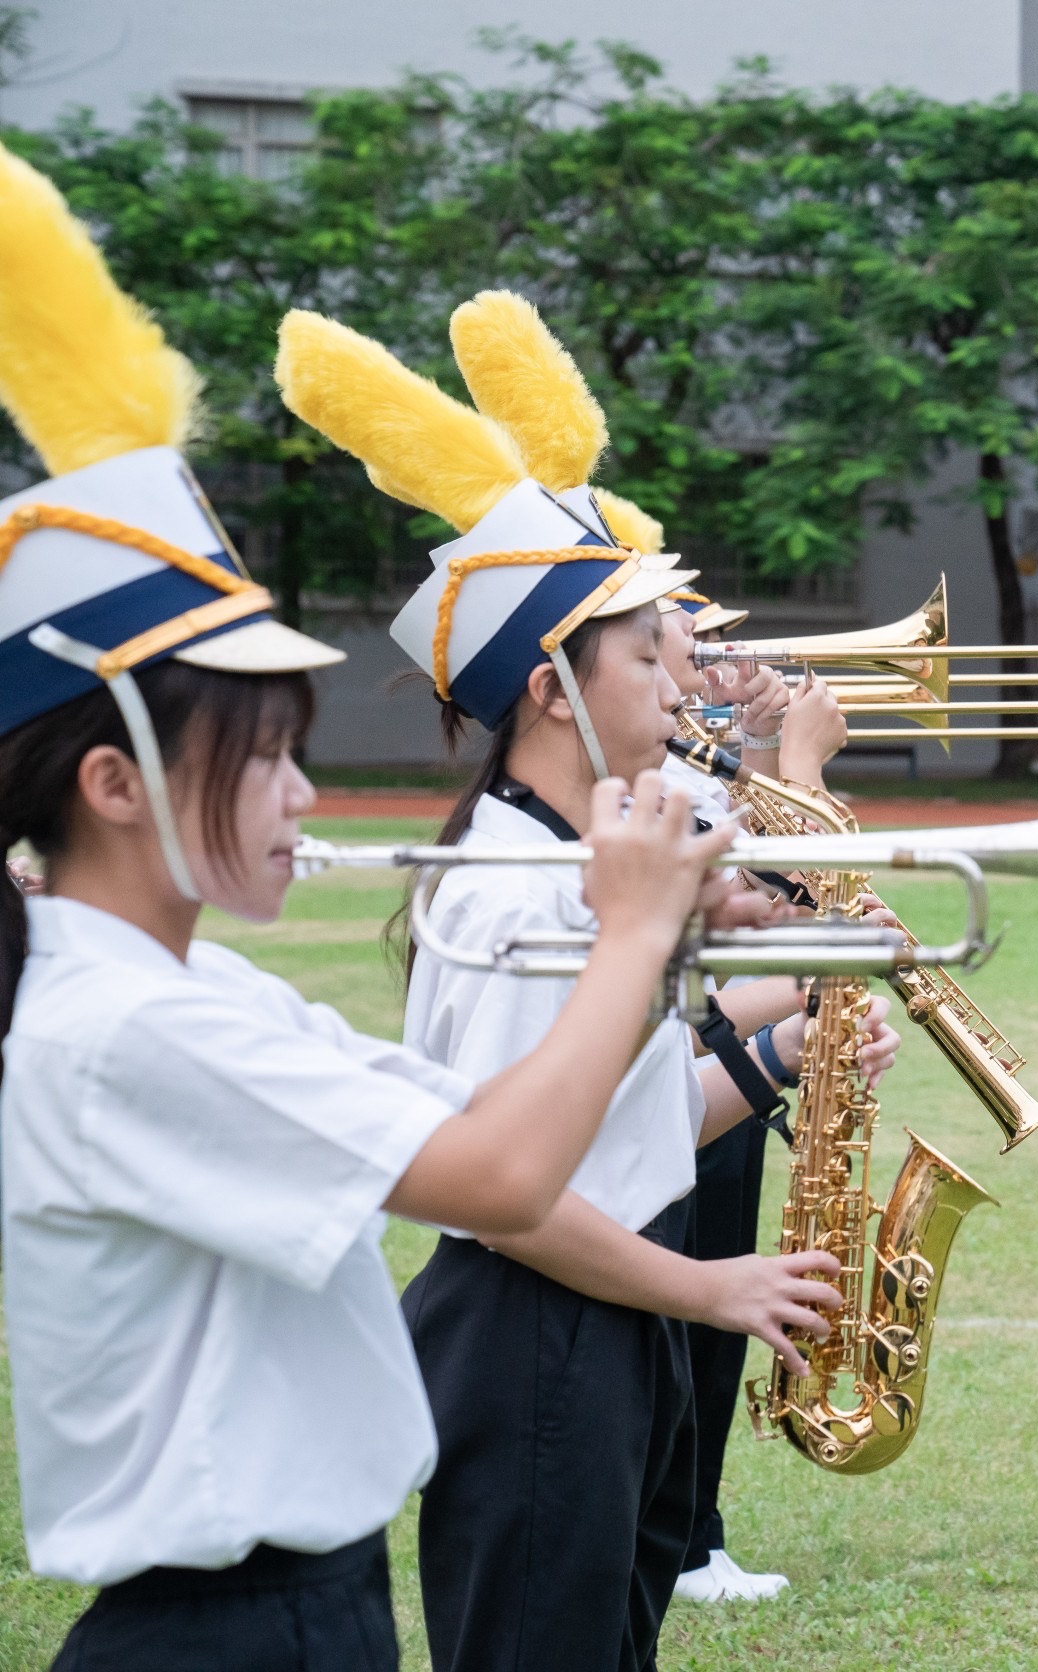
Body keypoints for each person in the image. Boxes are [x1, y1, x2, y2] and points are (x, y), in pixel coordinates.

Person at [0, 154, 753, 1672]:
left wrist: (707, 982)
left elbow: (486, 1135)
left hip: (300, 1605)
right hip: (225, 1626)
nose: (298, 797)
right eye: (262, 755)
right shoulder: (123, 1024)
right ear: (116, 781)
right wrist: (638, 936)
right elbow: (504, 1169)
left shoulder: (204, 1003)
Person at [275, 307, 904, 1672]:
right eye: (641, 659)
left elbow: (617, 1129)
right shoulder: (515, 898)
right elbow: (517, 1204)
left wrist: (789, 1042)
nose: (674, 688)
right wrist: (711, 1291)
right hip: (544, 1326)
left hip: (597, 1318)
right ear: (555, 691)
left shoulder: (576, 873)